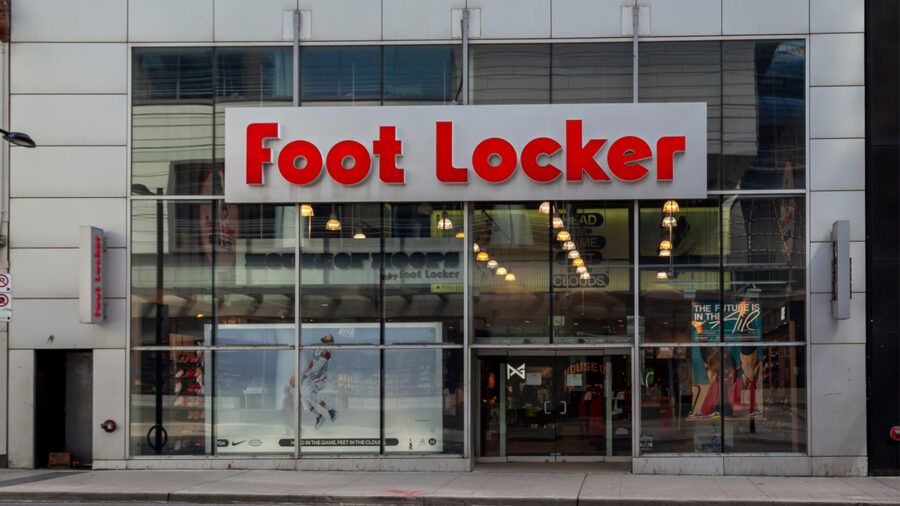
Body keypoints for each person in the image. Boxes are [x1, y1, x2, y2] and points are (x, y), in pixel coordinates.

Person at [301, 334, 338, 430]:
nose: (325, 336)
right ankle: (319, 415)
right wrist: (303, 374)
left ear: (330, 341)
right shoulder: (318, 349)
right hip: (310, 377)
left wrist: (306, 374)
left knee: (310, 395)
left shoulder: (327, 352)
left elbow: (317, 367)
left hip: (319, 378)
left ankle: (330, 410)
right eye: (325, 335)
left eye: (328, 336)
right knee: (304, 398)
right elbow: (312, 363)